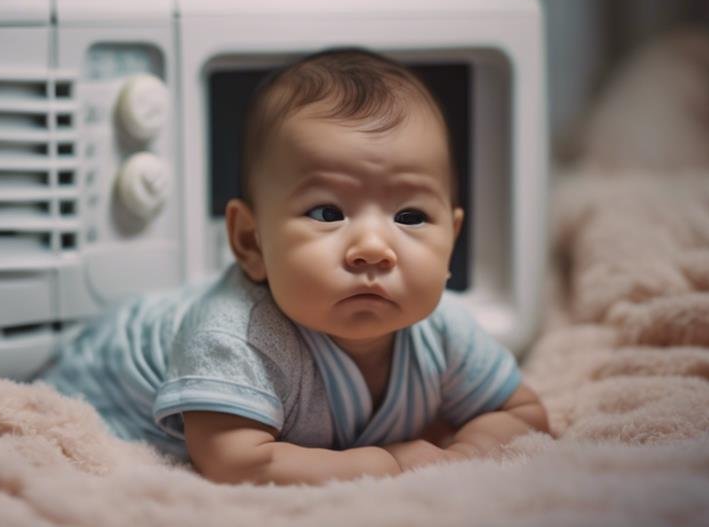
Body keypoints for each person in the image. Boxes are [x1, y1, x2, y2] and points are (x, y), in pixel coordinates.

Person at [41, 48, 549, 485]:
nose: (373, 247)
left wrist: (461, 457)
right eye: (328, 212)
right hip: (103, 386)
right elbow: (235, 463)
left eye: (411, 216)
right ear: (250, 240)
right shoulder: (236, 337)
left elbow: (523, 413)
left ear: (450, 243)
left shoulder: (445, 330)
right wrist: (388, 464)